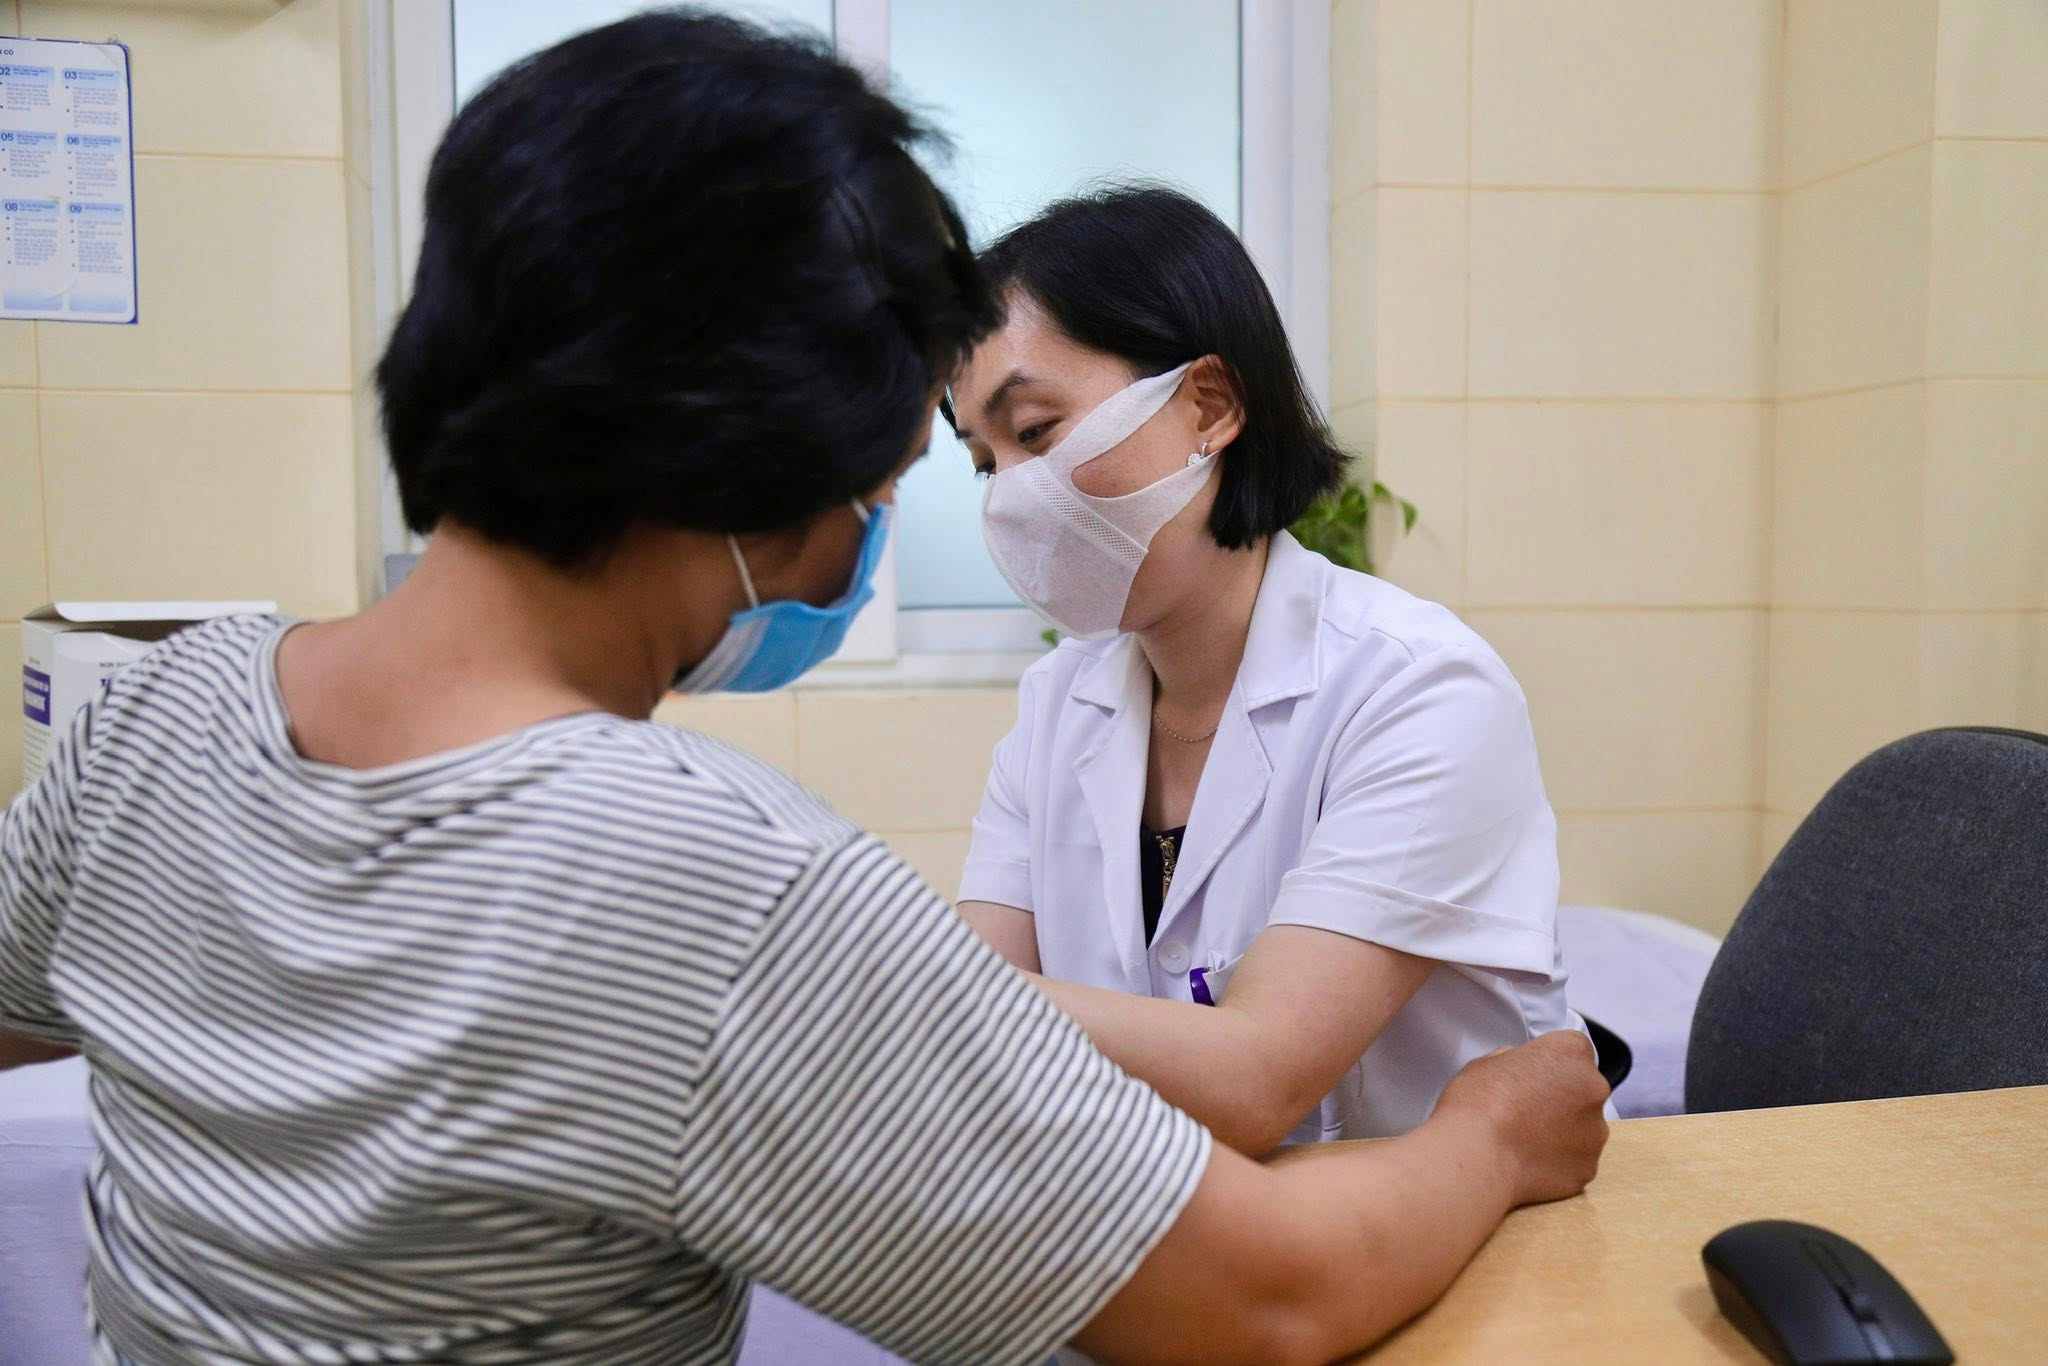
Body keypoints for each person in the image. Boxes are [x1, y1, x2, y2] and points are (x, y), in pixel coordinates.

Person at [0, 12, 1607, 1365]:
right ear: (767, 467)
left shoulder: (160, 704)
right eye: (920, 465)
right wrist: (1487, 1136)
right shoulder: (722, 883)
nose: (932, 519)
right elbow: (1268, 1285)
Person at [952, 185, 1592, 1155]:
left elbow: (1255, 1079)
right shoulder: (1056, 706)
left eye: (1034, 430)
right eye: (981, 461)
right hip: (1211, 1245)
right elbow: (964, 1054)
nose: (1009, 497)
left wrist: (919, 984)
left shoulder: (1416, 689)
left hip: (1468, 1258)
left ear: (1207, 405)